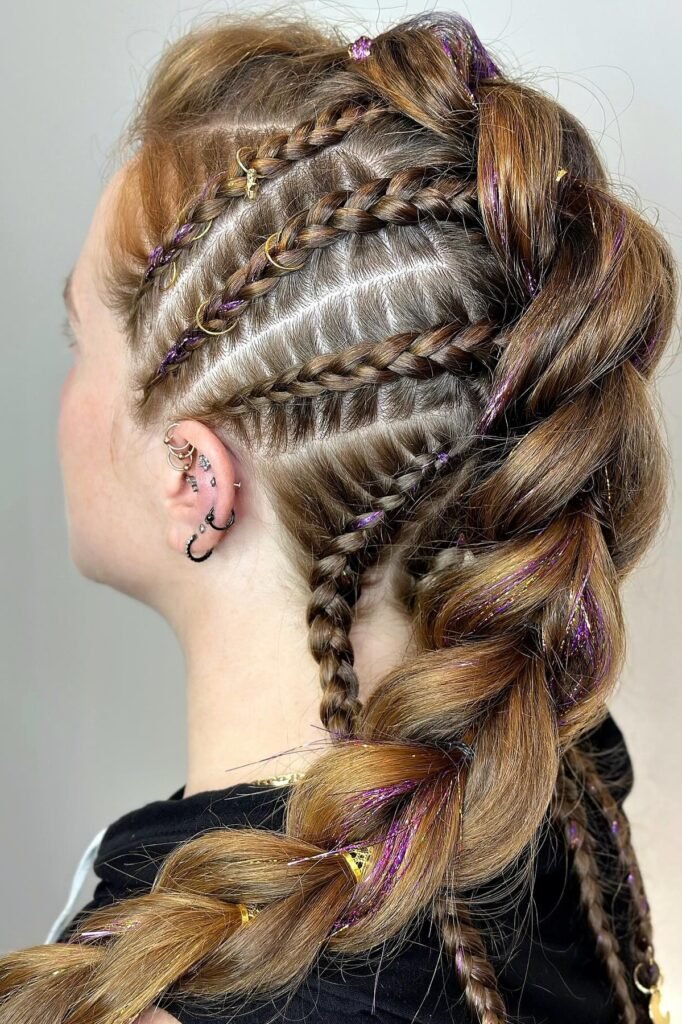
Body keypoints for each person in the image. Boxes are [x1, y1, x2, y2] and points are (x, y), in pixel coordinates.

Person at [1, 10, 676, 1024]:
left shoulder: (152, 997)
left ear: (196, 476)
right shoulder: (556, 776)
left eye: (77, 336)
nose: (62, 399)